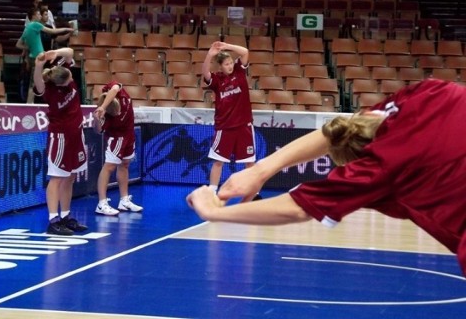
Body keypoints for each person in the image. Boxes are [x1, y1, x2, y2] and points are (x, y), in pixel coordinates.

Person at [187, 79, 466, 277]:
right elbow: (342, 128)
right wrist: (261, 169)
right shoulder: (430, 92)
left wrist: (213, 212)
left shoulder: (380, 167)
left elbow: (297, 208)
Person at [33, 47, 88, 235]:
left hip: (77, 134)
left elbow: (70, 51)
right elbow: (38, 83)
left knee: (71, 176)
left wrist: (55, 53)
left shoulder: (62, 71)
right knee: (57, 178)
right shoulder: (50, 90)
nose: (73, 80)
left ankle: (65, 216)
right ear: (62, 84)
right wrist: (39, 65)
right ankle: (53, 220)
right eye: (70, 80)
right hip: (61, 138)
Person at [202, 41, 258, 200]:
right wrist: (210, 55)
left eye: (230, 62)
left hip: (244, 126)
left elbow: (245, 51)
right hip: (225, 127)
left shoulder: (240, 71)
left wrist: (227, 46)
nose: (230, 66)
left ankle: (253, 192)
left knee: (249, 162)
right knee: (218, 162)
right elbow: (205, 72)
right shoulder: (217, 80)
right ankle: (212, 191)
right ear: (220, 67)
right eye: (226, 64)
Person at [93, 81, 143, 216]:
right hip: (116, 140)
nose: (119, 112)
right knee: (109, 167)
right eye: (116, 112)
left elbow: (115, 88)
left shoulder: (119, 93)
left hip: (129, 135)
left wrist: (102, 106)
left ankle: (124, 200)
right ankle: (102, 203)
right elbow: (98, 131)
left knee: (125, 165)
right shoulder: (107, 117)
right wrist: (97, 118)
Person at [17, 7, 74, 104]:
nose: (40, 16)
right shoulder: (35, 24)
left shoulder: (26, 29)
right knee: (34, 83)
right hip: (38, 57)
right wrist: (68, 29)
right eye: (38, 14)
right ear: (33, 16)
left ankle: (36, 101)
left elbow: (18, 44)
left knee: (37, 80)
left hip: (33, 57)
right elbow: (52, 31)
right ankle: (30, 104)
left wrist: (30, 47)